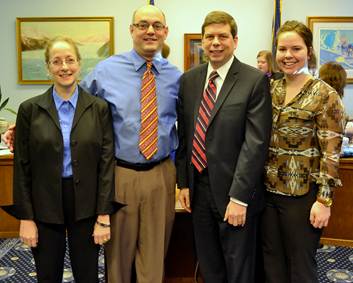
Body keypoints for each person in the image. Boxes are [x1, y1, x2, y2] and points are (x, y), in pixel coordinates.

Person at [80, 5, 181, 283]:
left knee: (154, 257)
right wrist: (31, 124)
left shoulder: (175, 76)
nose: (150, 30)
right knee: (118, 259)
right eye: (143, 24)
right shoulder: (106, 71)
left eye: (157, 25)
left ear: (165, 32)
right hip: (119, 174)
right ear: (131, 30)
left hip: (161, 175)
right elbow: (75, 107)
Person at [6, 37, 116, 283]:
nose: (64, 67)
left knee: (88, 274)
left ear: (79, 64)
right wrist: (26, 218)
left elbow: (106, 165)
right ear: (48, 67)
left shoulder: (99, 109)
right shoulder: (29, 110)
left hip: (86, 205)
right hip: (44, 204)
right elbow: (22, 168)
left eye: (70, 60)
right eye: (56, 62)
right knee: (47, 274)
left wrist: (103, 216)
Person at [176, 11, 272, 283]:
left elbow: (255, 144)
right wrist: (183, 183)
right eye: (209, 37)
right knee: (209, 265)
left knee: (239, 269)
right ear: (202, 41)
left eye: (223, 36)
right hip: (198, 191)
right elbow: (184, 135)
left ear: (235, 40)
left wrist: (240, 198)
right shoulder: (189, 80)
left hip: (235, 194)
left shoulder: (254, 80)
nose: (215, 42)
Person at [262, 20, 346, 283]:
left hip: (302, 196)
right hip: (267, 192)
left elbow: (331, 153)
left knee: (300, 265)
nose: (288, 55)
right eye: (282, 49)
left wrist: (324, 201)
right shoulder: (269, 89)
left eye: (295, 48)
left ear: (309, 51)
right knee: (271, 261)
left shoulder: (325, 95)